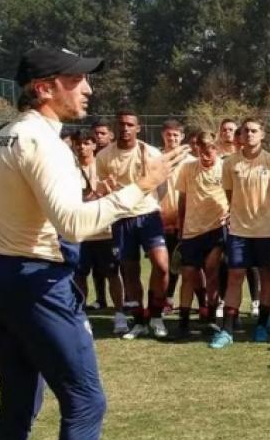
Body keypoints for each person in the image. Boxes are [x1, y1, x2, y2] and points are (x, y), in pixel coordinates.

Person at [0, 47, 187, 440]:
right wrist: (144, 185)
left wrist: (122, 196)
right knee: (86, 401)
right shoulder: (41, 143)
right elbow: (71, 224)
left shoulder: (7, 136)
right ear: (45, 87)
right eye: (77, 80)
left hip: (4, 276)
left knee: (19, 404)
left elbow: (56, 211)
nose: (88, 90)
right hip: (37, 283)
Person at [96, 110, 171, 339]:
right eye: (121, 124)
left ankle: (156, 315)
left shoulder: (150, 152)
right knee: (130, 271)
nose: (125, 128)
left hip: (148, 215)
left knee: (161, 265)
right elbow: (101, 187)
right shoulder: (105, 156)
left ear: (138, 128)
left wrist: (156, 205)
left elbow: (162, 185)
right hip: (122, 219)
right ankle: (139, 320)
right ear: (116, 127)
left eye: (130, 124)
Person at [211, 118, 270, 348]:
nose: (250, 134)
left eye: (254, 130)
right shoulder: (230, 163)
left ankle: (262, 324)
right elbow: (230, 195)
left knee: (266, 277)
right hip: (239, 231)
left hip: (267, 231)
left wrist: (267, 217)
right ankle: (228, 330)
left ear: (262, 134)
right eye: (246, 131)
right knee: (235, 277)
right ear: (240, 136)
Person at [174, 133, 228, 341]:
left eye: (210, 150)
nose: (206, 155)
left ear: (217, 149)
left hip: (216, 229)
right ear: (196, 149)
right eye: (202, 150)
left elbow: (234, 195)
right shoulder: (187, 168)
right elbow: (182, 198)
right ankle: (184, 322)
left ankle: (212, 318)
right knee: (188, 275)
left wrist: (231, 212)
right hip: (192, 230)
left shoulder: (225, 167)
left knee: (212, 271)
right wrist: (180, 224)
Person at [71, 132, 124, 321]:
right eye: (78, 144)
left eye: (86, 143)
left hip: (104, 232)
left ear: (94, 146)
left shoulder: (102, 166)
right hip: (80, 234)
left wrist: (101, 193)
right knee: (79, 275)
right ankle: (81, 315)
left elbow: (113, 195)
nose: (82, 147)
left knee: (112, 273)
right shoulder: (68, 170)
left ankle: (120, 314)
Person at [158, 119, 186, 312]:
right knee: (162, 263)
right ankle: (164, 299)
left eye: (176, 135)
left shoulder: (191, 160)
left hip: (184, 219)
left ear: (182, 137)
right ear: (163, 136)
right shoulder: (156, 158)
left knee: (181, 263)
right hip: (160, 218)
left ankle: (172, 298)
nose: (172, 138)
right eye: (169, 135)